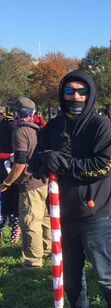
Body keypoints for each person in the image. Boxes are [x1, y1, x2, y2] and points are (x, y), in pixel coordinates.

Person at [34, 70, 111, 308]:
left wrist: (63, 163)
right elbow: (37, 159)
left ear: (90, 95)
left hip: (94, 214)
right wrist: (42, 159)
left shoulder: (101, 126)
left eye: (81, 91)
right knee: (72, 276)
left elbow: (101, 166)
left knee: (106, 275)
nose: (75, 97)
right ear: (62, 94)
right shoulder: (53, 126)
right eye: (69, 91)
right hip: (61, 213)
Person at [0, 98, 50, 268]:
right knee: (44, 218)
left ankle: (33, 263)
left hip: (30, 183)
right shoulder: (38, 129)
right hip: (43, 181)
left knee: (29, 221)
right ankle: (47, 249)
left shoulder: (20, 132)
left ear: (18, 113)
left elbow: (20, 163)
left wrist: (6, 183)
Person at [0, 103, 20, 243]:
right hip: (5, 164)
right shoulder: (11, 126)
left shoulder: (11, 126)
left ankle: (14, 230)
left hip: (8, 165)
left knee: (11, 198)